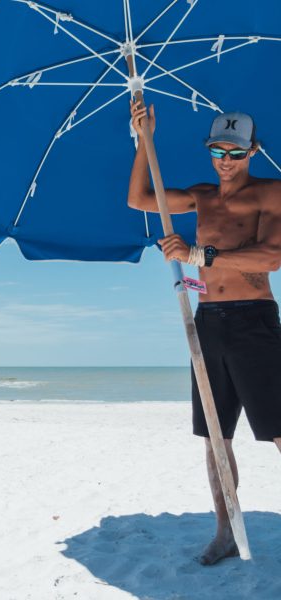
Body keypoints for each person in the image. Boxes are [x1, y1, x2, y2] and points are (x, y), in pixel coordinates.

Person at [127, 102, 281, 565]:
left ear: (252, 150)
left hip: (255, 318)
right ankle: (226, 529)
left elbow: (271, 257)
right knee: (217, 438)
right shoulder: (201, 196)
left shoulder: (271, 193)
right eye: (218, 150)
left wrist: (200, 256)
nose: (226, 160)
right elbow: (139, 199)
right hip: (209, 321)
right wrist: (144, 140)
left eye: (234, 151)